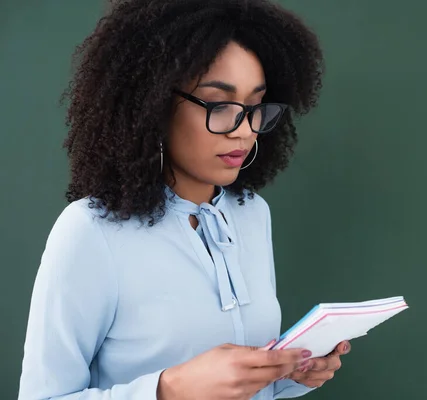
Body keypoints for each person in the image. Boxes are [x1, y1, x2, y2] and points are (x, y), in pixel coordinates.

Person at [17, 0, 351, 399]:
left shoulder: (251, 214)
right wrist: (167, 389)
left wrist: (289, 372)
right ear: (153, 105)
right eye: (221, 105)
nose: (244, 132)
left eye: (255, 106)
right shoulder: (90, 232)